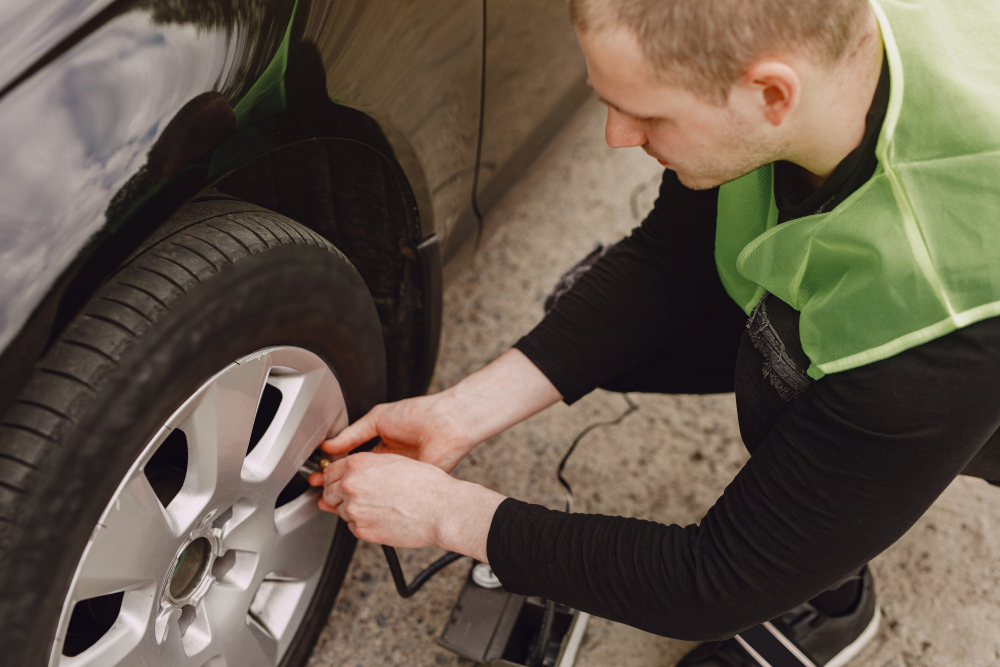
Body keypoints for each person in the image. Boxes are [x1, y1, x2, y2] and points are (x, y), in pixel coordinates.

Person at [308, 0, 1000, 664]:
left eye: (645, 115)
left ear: (772, 94)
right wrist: (459, 412)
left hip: (958, 352)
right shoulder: (815, 55)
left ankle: (828, 599)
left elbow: (713, 580)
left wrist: (451, 515)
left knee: (776, 374)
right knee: (595, 314)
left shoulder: (933, 304)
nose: (615, 136)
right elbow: (673, 254)